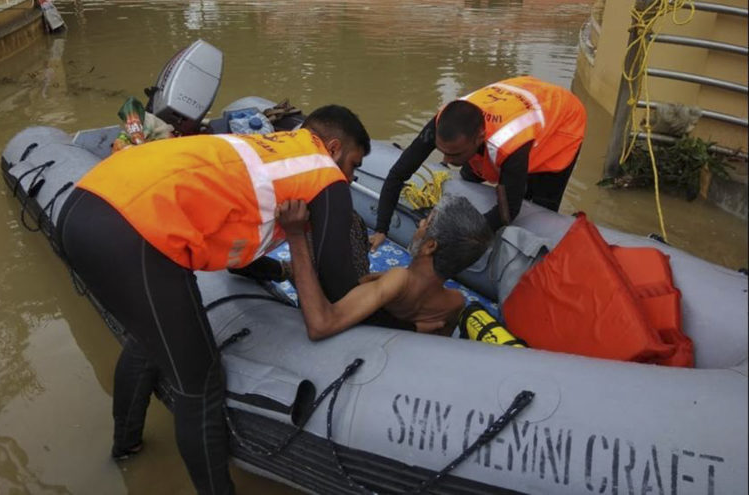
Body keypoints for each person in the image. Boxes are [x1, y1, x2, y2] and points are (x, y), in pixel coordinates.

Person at [55, 105, 376, 495]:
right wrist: (386, 293)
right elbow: (340, 287)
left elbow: (242, 263)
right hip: (135, 230)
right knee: (200, 381)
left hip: (84, 206)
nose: (351, 177)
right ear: (335, 148)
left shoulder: (267, 152)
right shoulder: (325, 174)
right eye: (354, 165)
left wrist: (285, 272)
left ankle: (126, 448)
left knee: (149, 339)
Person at [370, 76, 586, 251]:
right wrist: (382, 228)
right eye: (442, 151)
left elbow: (507, 211)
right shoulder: (443, 123)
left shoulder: (509, 144)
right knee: (469, 175)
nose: (446, 160)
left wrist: (451, 235)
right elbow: (399, 173)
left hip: (562, 123)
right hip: (518, 94)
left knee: (539, 203)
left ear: (480, 138)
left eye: (454, 154)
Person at [277, 195, 492, 338]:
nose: (420, 224)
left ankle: (285, 269)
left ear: (430, 246)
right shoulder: (455, 302)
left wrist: (295, 234)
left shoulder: (399, 279)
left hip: (350, 334)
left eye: (427, 222)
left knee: (351, 221)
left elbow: (321, 325)